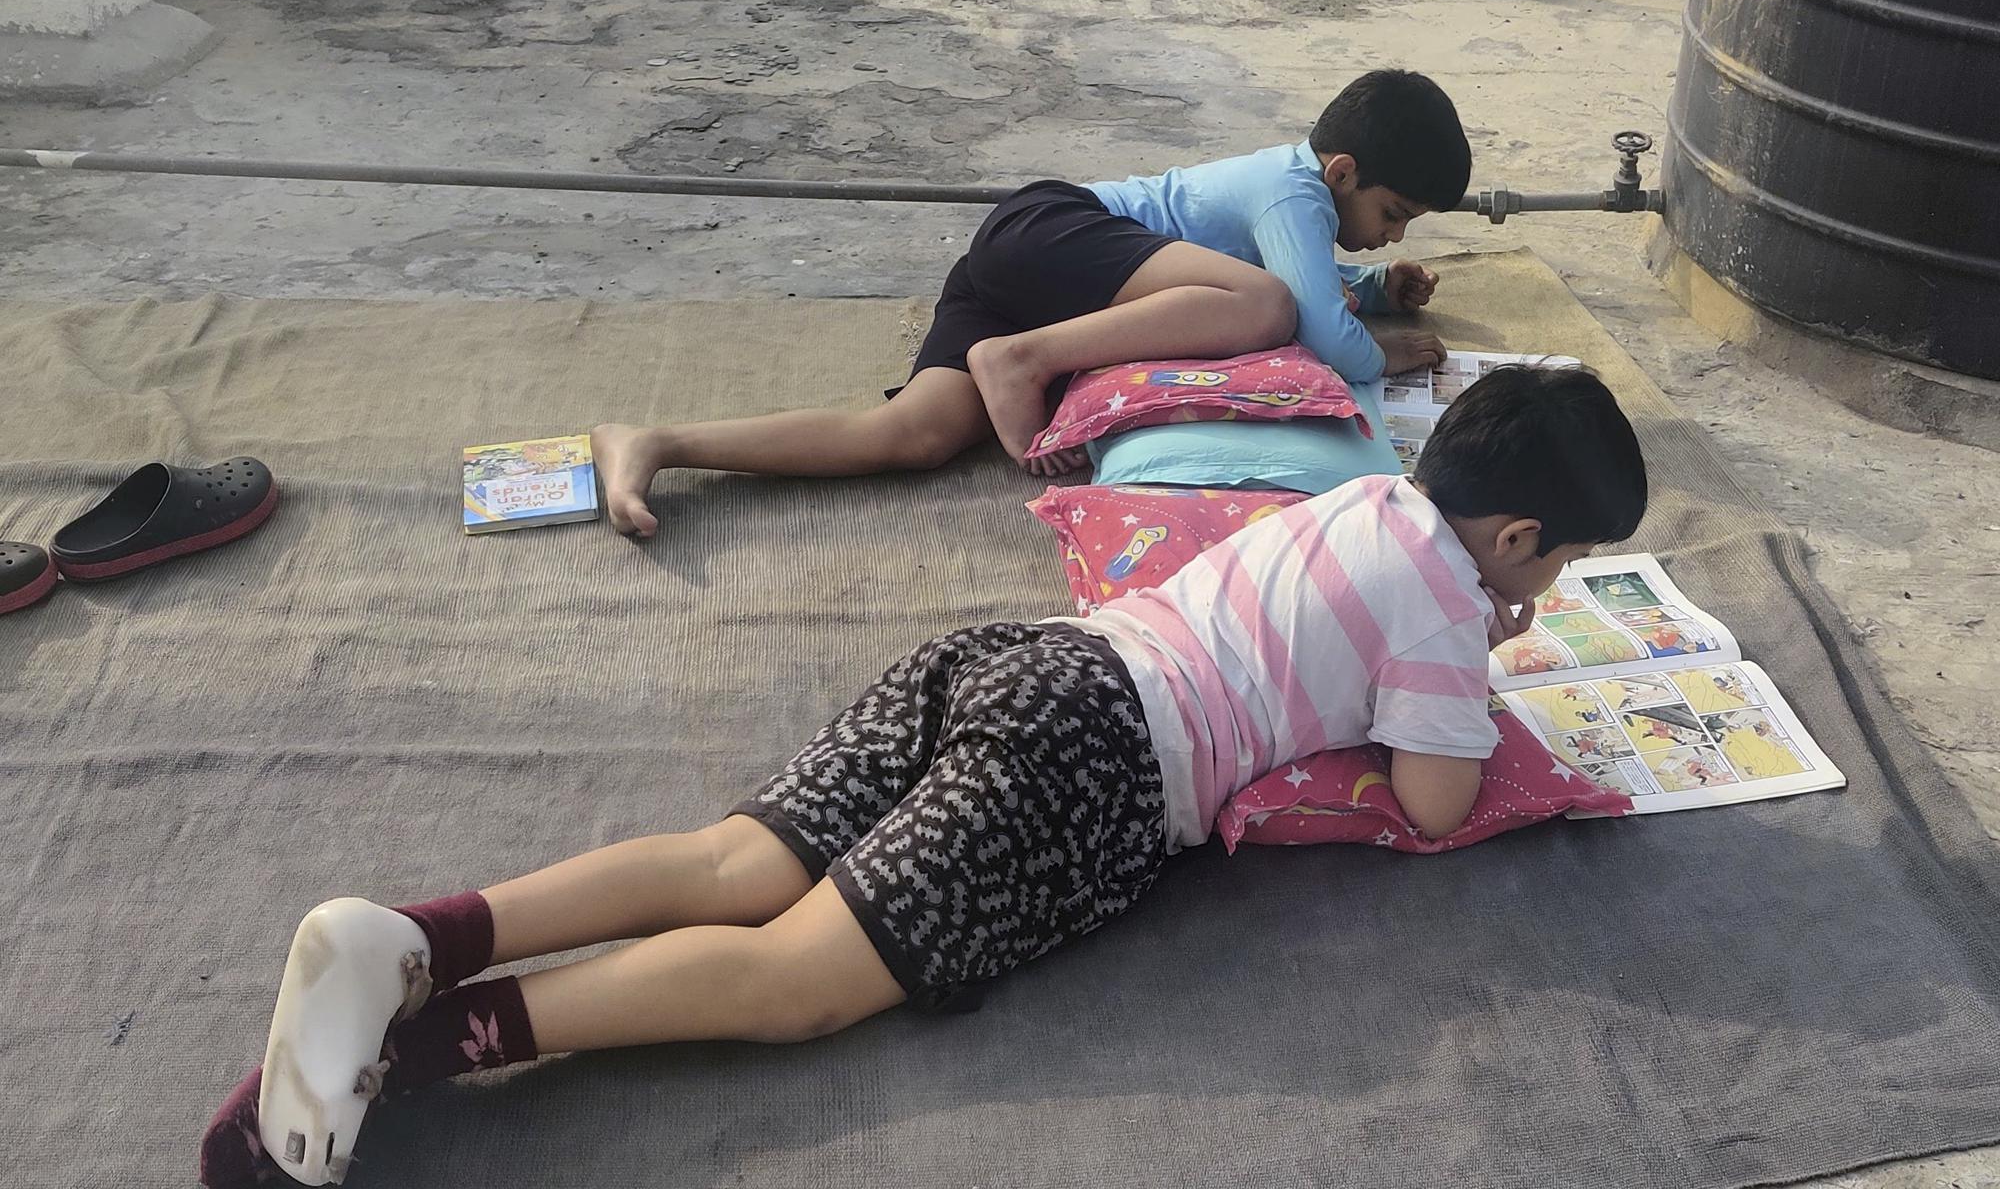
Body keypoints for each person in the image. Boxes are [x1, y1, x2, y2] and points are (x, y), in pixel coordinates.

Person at [200, 364, 1646, 1188]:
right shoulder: (1455, 604)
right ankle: (420, 1050)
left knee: (730, 863)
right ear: (1515, 536)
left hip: (1014, 662)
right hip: (1092, 766)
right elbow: (1440, 796)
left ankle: (425, 935)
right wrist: (1495, 636)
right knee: (789, 983)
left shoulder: (1360, 492)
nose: (1552, 583)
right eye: (1561, 559)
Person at [591, 68, 1473, 537]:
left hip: (1025, 271)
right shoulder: (1291, 190)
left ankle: (659, 441)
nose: (1394, 235)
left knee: (911, 436)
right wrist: (1378, 351)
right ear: (1343, 173)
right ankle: (1026, 359)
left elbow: (1316, 280)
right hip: (1053, 226)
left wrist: (1371, 287)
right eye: (1393, 216)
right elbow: (1309, 313)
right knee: (1268, 308)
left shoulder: (1303, 208)